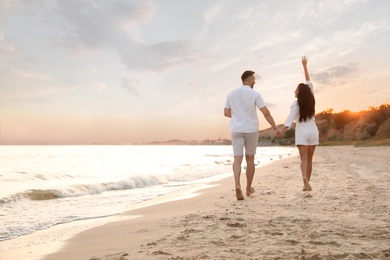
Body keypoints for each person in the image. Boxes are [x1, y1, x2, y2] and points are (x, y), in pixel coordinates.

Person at [224, 70, 280, 200]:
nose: (254, 81)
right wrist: (275, 127)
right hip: (251, 129)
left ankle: (237, 185)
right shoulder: (255, 94)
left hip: (236, 129)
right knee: (250, 159)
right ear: (250, 81)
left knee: (237, 159)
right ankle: (248, 189)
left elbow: (226, 112)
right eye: (254, 80)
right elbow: (266, 112)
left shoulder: (231, 94)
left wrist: (238, 116)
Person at [280, 56, 319, 191]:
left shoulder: (295, 105)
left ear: (299, 92)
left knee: (303, 159)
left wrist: (282, 131)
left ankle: (304, 179)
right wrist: (305, 66)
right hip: (313, 130)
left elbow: (289, 120)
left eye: (296, 90)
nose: (294, 91)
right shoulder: (311, 98)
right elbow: (308, 81)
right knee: (310, 159)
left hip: (302, 131)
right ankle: (307, 182)